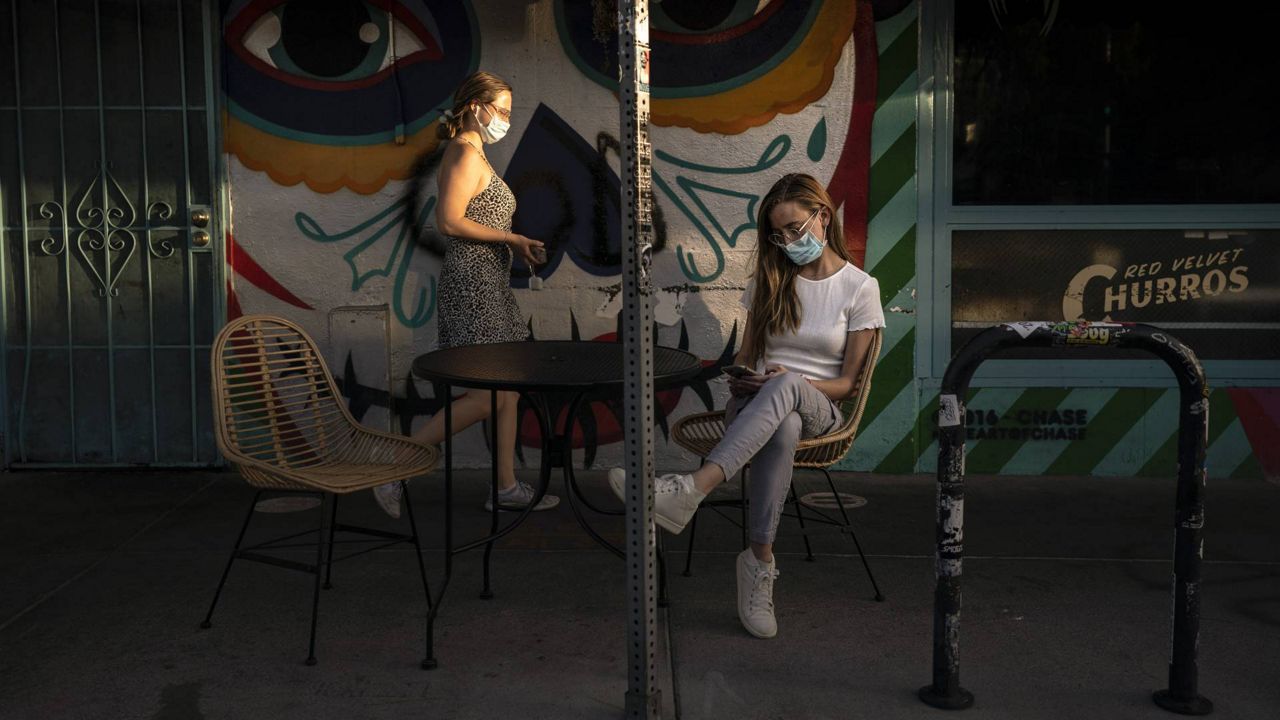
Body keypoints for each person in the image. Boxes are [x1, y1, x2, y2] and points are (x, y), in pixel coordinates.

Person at [609, 173, 883, 638]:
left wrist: (792, 381)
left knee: (791, 393)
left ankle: (693, 488)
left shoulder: (860, 287)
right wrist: (745, 379)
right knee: (783, 423)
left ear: (823, 215)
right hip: (759, 409)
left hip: (823, 408)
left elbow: (846, 384)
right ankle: (759, 564)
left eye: (796, 228)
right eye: (778, 234)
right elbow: (746, 358)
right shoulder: (771, 280)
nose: (788, 241)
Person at [374, 71, 560, 518]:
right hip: (472, 287)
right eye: (502, 111)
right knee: (486, 395)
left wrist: (516, 243)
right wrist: (512, 241)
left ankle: (505, 487)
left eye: (510, 114)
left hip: (489, 284)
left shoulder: (476, 154)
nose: (506, 121)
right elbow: (449, 222)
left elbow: (479, 221)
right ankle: (395, 466)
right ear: (475, 106)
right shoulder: (463, 152)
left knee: (507, 391)